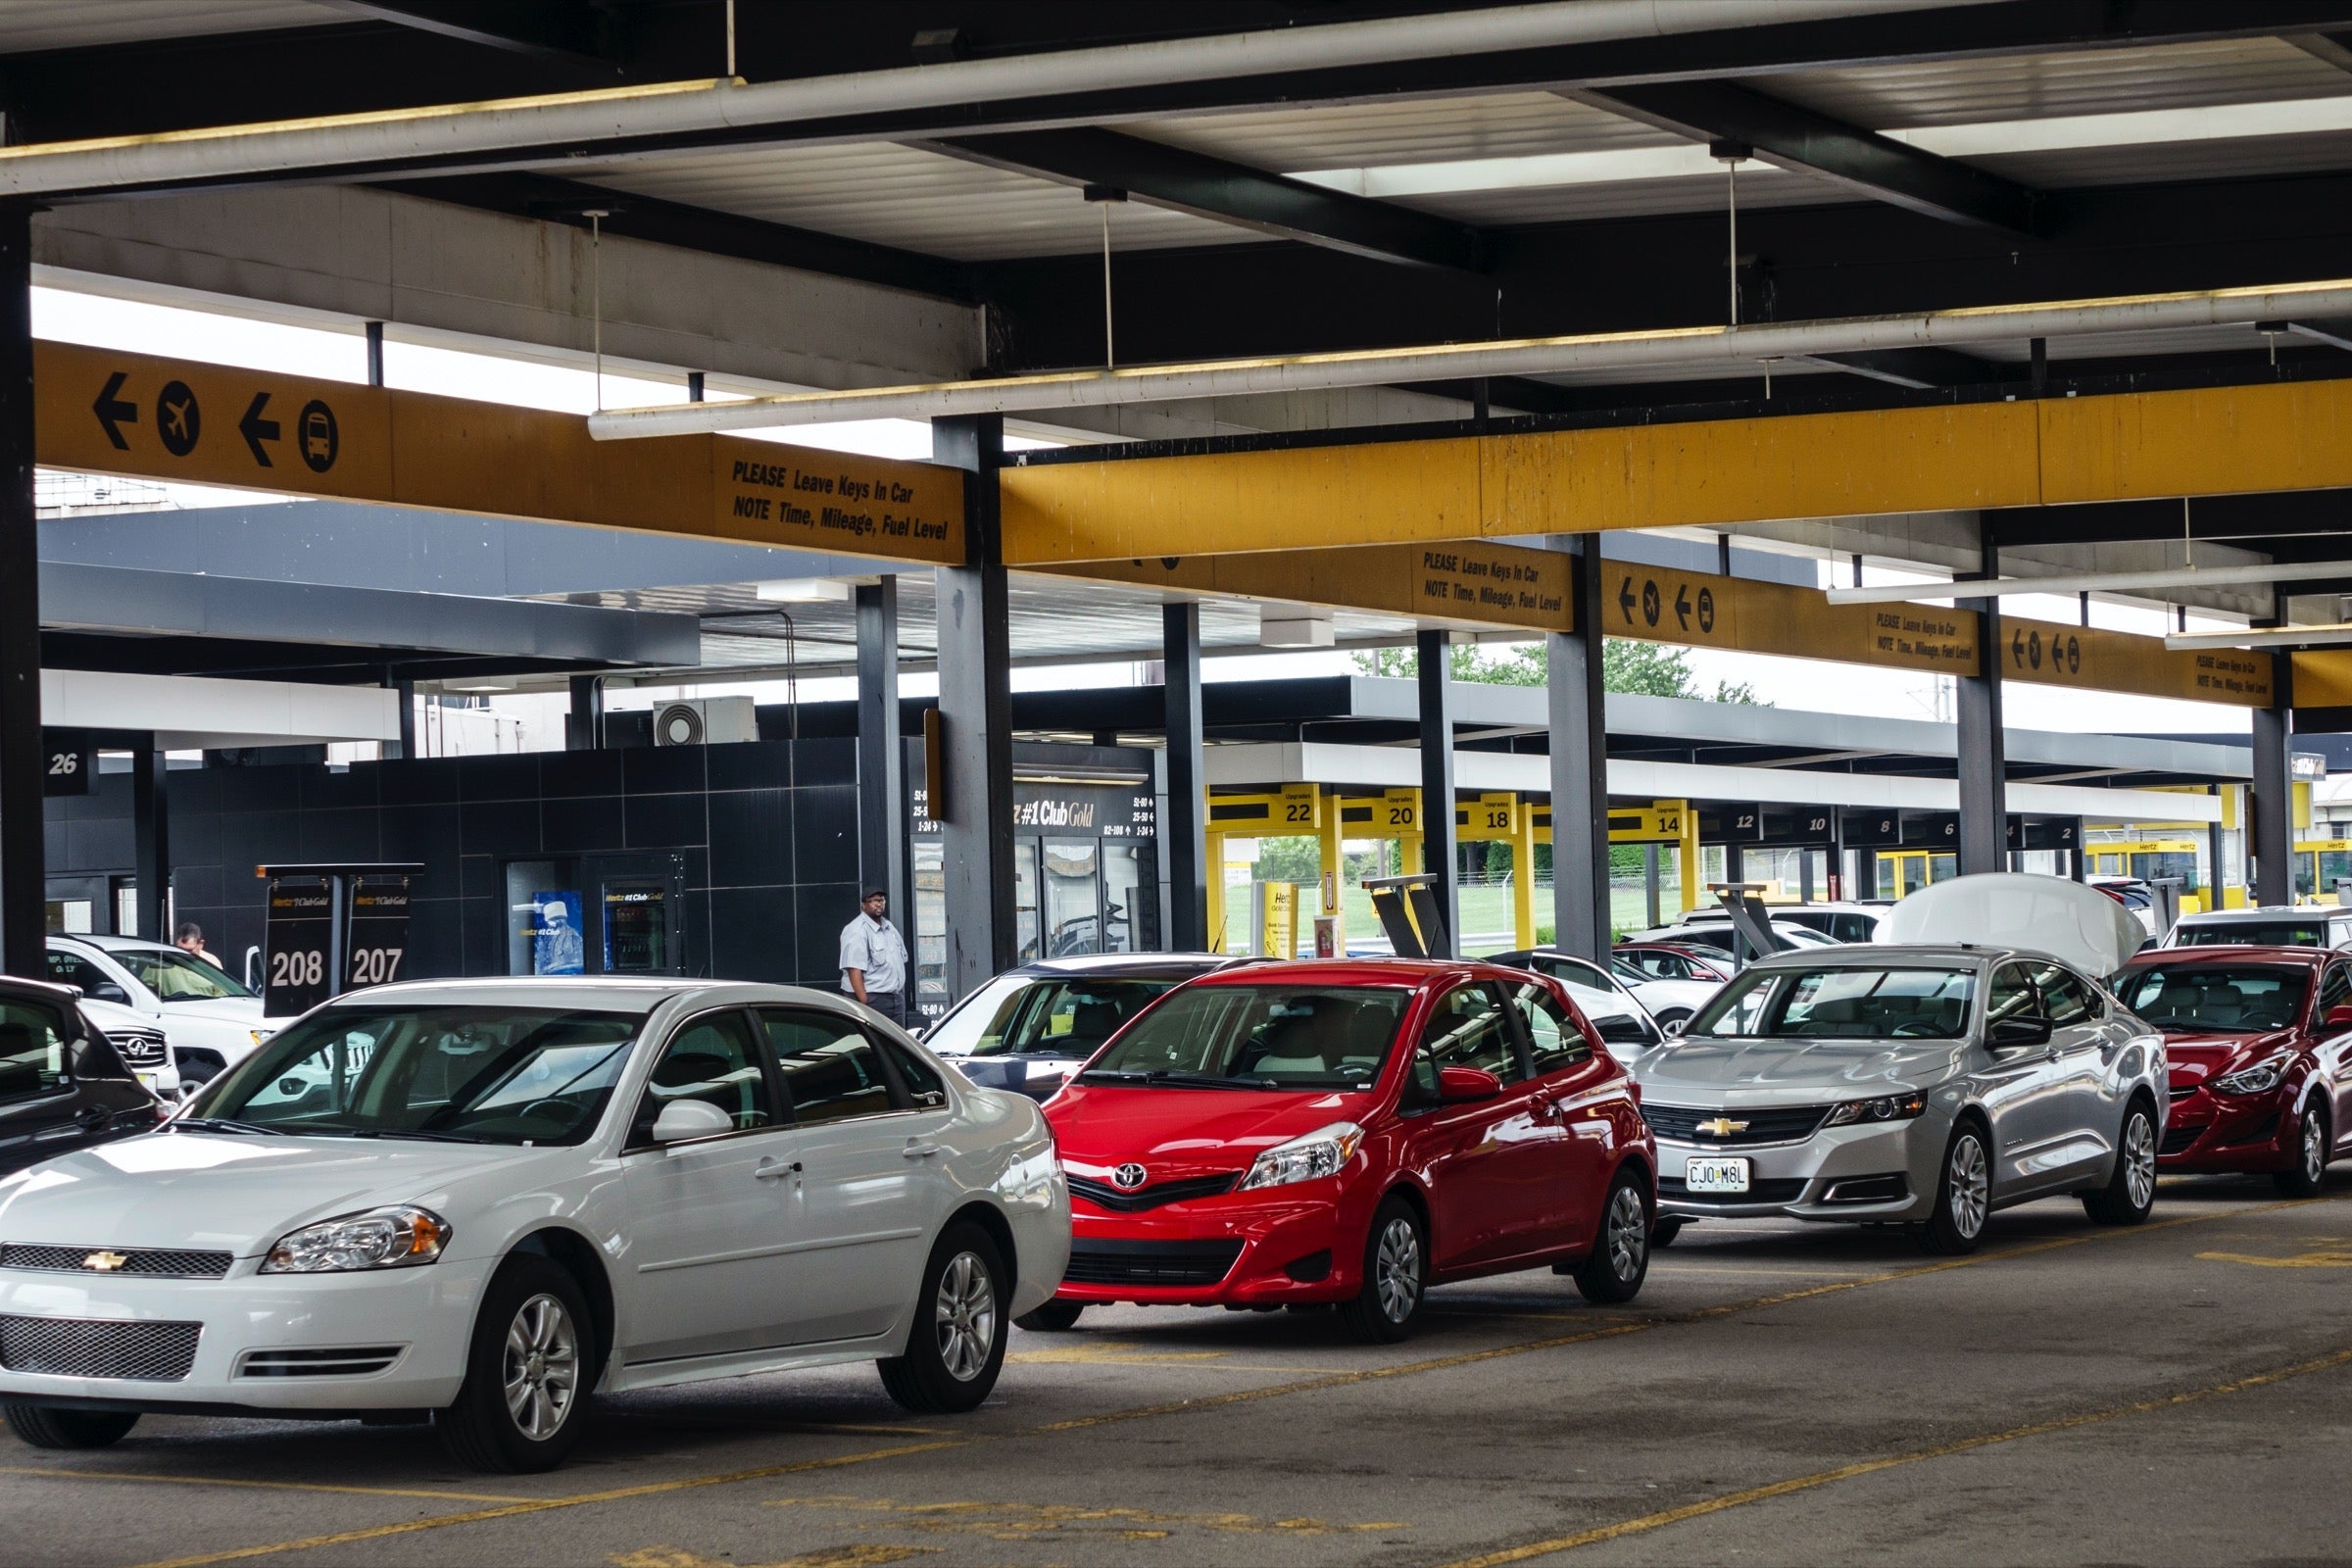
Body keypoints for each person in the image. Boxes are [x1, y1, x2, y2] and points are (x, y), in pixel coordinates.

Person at [839, 889, 909, 1027]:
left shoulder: (889, 927)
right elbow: (854, 969)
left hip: (895, 998)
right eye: (874, 901)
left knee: (897, 1045)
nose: (879, 904)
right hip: (874, 999)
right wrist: (865, 1003)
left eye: (882, 900)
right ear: (863, 905)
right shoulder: (857, 929)